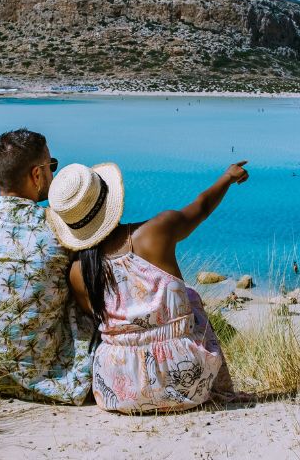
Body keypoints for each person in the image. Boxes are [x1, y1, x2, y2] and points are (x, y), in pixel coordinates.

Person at [46, 159, 248, 413]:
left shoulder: (77, 271)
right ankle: (218, 388)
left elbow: (95, 317)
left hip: (118, 390)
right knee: (190, 297)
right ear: (110, 199)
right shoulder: (156, 231)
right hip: (186, 382)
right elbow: (202, 206)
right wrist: (228, 177)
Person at [0, 129, 92, 404]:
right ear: (36, 175)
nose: (53, 175)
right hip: (47, 379)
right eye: (51, 167)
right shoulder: (58, 230)